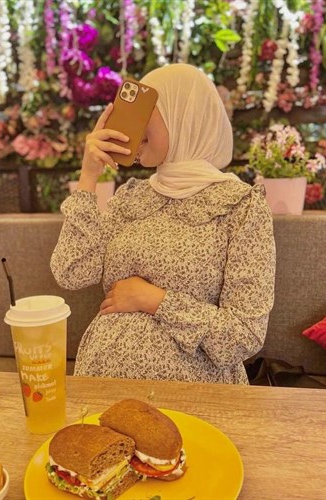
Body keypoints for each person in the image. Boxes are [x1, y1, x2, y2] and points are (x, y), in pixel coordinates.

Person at [51, 63, 276, 384]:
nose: (135, 122)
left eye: (146, 110)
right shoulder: (130, 198)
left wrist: (154, 300)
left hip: (190, 391)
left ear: (182, 115)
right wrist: (88, 176)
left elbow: (244, 335)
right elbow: (72, 272)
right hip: (101, 380)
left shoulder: (240, 206)